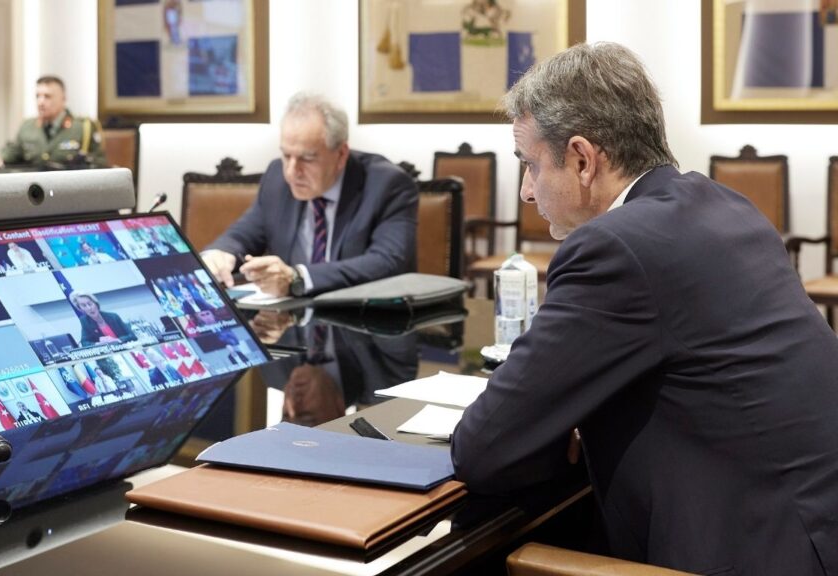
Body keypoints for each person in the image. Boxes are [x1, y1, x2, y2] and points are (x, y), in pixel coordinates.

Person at [451, 42, 838, 575]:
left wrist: (558, 425)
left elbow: (484, 448)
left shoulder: (615, 249)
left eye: (531, 165)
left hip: (752, 551)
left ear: (582, 160)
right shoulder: (724, 205)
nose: (525, 192)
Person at [202, 92, 418, 297]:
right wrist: (221, 254)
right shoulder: (277, 177)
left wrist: (298, 278)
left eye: (307, 158)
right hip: (291, 318)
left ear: (341, 154)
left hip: (363, 317)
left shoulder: (387, 185)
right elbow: (243, 235)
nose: (292, 171)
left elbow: (387, 262)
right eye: (286, 155)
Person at [0, 75, 107, 169]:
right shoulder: (27, 127)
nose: (40, 102)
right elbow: (14, 151)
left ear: (63, 99)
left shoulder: (83, 128)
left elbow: (99, 164)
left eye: (47, 96)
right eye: (38, 96)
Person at [69, 291, 136, 346]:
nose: (89, 308)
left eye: (90, 304)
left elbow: (132, 336)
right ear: (80, 309)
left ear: (96, 303)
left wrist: (117, 340)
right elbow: (84, 343)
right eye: (84, 306)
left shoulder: (113, 317)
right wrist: (99, 344)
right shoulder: (85, 321)